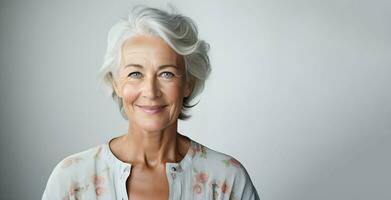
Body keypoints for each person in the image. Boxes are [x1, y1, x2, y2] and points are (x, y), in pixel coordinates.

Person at [42, 5, 260, 200]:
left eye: (166, 74)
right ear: (116, 83)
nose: (151, 91)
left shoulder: (227, 181)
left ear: (188, 84)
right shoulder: (71, 181)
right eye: (135, 74)